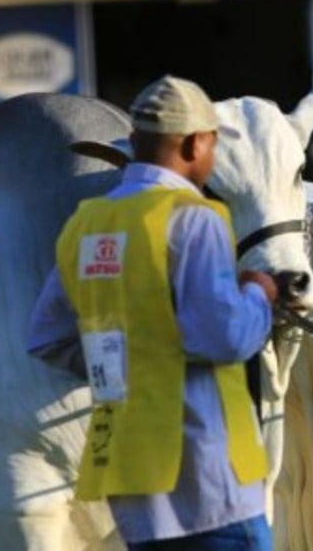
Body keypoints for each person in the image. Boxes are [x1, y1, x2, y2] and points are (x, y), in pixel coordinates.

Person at [28, 75, 278, 550]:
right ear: (194, 143)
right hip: (211, 481)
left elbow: (47, 338)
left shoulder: (86, 225)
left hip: (134, 486)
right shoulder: (193, 218)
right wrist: (258, 295)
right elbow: (224, 337)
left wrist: (131, 361)